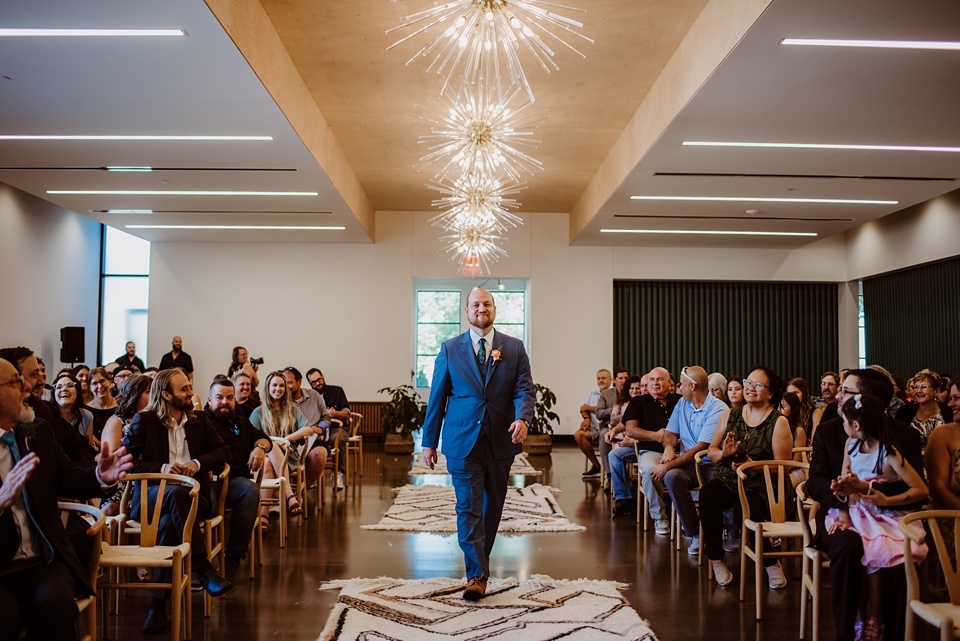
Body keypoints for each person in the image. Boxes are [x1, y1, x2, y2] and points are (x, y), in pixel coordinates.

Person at [0, 357, 132, 641]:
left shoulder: (37, 432)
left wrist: (100, 477)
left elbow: (69, 476)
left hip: (42, 561)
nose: (28, 387)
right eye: (15, 382)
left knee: (57, 605)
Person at [420, 287, 534, 601]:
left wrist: (522, 418)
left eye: (486, 303)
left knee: (491, 508)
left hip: (500, 439)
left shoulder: (514, 347)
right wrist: (429, 442)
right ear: (467, 311)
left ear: (494, 308)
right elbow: (437, 397)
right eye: (475, 304)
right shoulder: (449, 348)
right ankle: (477, 575)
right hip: (462, 440)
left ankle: (479, 562)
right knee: (468, 507)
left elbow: (524, 389)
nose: (481, 309)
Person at [807, 367, 923, 641]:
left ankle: (891, 630)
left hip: (888, 514)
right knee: (848, 546)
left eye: (846, 391)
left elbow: (915, 487)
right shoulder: (829, 431)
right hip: (842, 514)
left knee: (898, 556)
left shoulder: (903, 435)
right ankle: (846, 631)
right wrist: (841, 493)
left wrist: (871, 491)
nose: (838, 395)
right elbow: (815, 482)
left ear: (869, 400)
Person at [122, 369, 232, 634]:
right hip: (152, 498)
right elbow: (128, 460)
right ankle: (202, 566)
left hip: (193, 499)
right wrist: (162, 468)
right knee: (173, 493)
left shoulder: (199, 420)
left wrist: (196, 463)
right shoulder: (145, 420)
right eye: (184, 389)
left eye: (189, 387)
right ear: (166, 395)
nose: (191, 393)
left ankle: (157, 606)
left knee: (171, 519)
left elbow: (223, 451)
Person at [700, 366, 793, 588]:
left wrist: (752, 465)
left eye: (758, 385)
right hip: (729, 476)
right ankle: (716, 560)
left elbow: (782, 467)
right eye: (748, 382)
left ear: (770, 392)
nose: (750, 388)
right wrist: (724, 454)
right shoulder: (730, 415)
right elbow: (712, 452)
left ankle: (770, 562)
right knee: (708, 495)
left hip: (763, 482)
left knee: (745, 506)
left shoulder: (778, 421)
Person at [652, 366, 726, 555]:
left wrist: (667, 465)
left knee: (669, 472)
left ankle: (730, 533)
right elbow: (670, 433)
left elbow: (700, 448)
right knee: (672, 478)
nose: (678, 388)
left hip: (714, 466)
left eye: (682, 384)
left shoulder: (718, 409)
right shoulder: (682, 404)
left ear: (692, 386)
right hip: (691, 466)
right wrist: (669, 447)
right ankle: (695, 533)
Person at [204, 376, 272, 581]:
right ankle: (201, 564)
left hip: (235, 482)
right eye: (219, 397)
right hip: (209, 480)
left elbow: (265, 439)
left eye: (230, 398)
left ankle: (232, 558)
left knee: (250, 490)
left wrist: (259, 448)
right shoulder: (199, 422)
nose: (225, 402)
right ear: (209, 399)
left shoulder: (240, 422)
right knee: (203, 503)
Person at [607, 367, 680, 530]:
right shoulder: (639, 402)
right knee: (649, 471)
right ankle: (659, 517)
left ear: (669, 382)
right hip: (652, 451)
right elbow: (631, 429)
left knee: (699, 468)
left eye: (659, 379)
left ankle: (687, 517)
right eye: (652, 380)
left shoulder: (680, 401)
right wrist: (656, 436)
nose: (655, 383)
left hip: (681, 450)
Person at [250, 372, 325, 523]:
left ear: (285, 389)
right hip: (265, 457)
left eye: (281, 385)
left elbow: (308, 430)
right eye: (274, 385)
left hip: (289, 457)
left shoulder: (292, 410)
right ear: (268, 388)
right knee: (268, 459)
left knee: (272, 449)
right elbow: (250, 437)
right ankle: (290, 497)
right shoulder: (259, 412)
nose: (278, 389)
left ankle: (264, 515)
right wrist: (273, 443)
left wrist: (285, 439)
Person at [99, 374, 153, 516]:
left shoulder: (156, 421)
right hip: (124, 479)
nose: (154, 396)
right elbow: (112, 458)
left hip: (150, 475)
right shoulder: (117, 421)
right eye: (148, 392)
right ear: (134, 395)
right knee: (112, 508)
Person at [283, 367, 337, 490]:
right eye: (284, 384)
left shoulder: (314, 395)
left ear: (299, 382)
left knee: (320, 454)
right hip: (290, 440)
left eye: (289, 383)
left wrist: (320, 427)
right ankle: (286, 491)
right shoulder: (281, 399)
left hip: (312, 439)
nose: (286, 387)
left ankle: (302, 489)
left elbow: (326, 417)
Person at [925, 378, 960, 561]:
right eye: (951, 398)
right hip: (954, 516)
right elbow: (938, 490)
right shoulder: (943, 434)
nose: (950, 404)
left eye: (957, 398)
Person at [896, 368, 952, 450]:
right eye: (916, 387)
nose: (919, 391)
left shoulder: (948, 412)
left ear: (936, 391)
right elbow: (898, 440)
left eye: (924, 387)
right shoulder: (904, 412)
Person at [595, 367, 628, 488]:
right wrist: (614, 410)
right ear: (614, 380)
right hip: (609, 426)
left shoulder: (632, 391)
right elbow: (599, 413)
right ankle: (609, 475)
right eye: (620, 378)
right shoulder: (606, 394)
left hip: (628, 426)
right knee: (604, 435)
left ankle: (629, 474)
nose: (623, 381)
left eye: (626, 378)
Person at [576, 369, 611, 479]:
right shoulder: (592, 394)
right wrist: (586, 418)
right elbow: (583, 408)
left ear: (610, 380)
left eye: (604, 378)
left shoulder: (613, 394)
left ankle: (609, 470)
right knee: (578, 435)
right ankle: (596, 466)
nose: (601, 380)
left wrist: (588, 407)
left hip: (608, 428)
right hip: (594, 427)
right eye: (599, 378)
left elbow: (606, 411)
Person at [48, 372, 96, 448]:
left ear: (77, 391)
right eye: (59, 387)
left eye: (70, 386)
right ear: (54, 393)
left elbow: (87, 448)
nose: (64, 389)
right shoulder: (47, 415)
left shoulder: (86, 416)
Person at [779, 391, 809, 487]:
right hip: (781, 467)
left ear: (794, 409)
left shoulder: (798, 430)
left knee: (782, 486)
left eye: (782, 407)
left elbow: (797, 460)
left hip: (799, 468)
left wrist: (780, 469)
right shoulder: (777, 427)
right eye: (778, 406)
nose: (779, 410)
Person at [85, 366, 118, 441]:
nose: (100, 386)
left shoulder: (121, 406)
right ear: (90, 388)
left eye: (102, 381)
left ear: (110, 382)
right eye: (94, 383)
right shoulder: (85, 411)